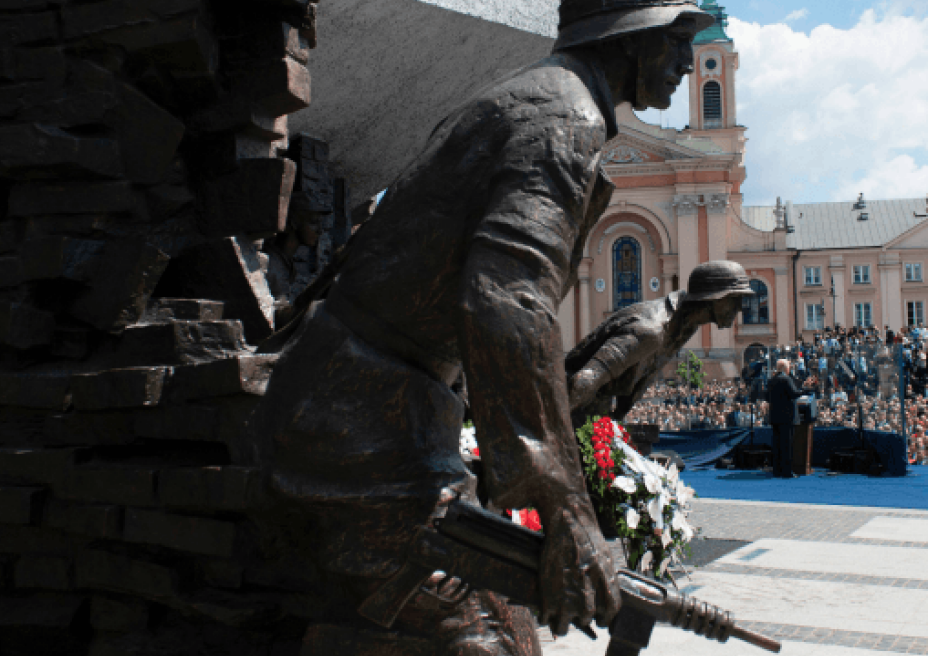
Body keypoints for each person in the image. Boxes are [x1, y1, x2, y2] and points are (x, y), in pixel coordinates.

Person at [239, 1, 717, 652]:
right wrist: (568, 514)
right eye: (675, 39)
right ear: (629, 40)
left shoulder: (548, 99)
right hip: (356, 415)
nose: (688, 61)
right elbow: (508, 305)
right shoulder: (564, 117)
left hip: (378, 405)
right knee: (490, 639)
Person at [566, 261, 753, 429]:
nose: (740, 308)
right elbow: (585, 379)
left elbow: (647, 371)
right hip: (572, 401)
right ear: (714, 297)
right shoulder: (652, 329)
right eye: (734, 299)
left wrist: (617, 419)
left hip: (596, 405)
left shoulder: (685, 325)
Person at [766, 359, 817, 478]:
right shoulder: (786, 379)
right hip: (787, 417)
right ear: (785, 367)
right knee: (787, 445)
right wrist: (806, 389)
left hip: (775, 417)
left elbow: (767, 397)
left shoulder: (772, 380)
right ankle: (787, 471)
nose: (790, 369)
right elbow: (794, 393)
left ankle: (777, 470)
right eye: (789, 366)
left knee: (777, 444)